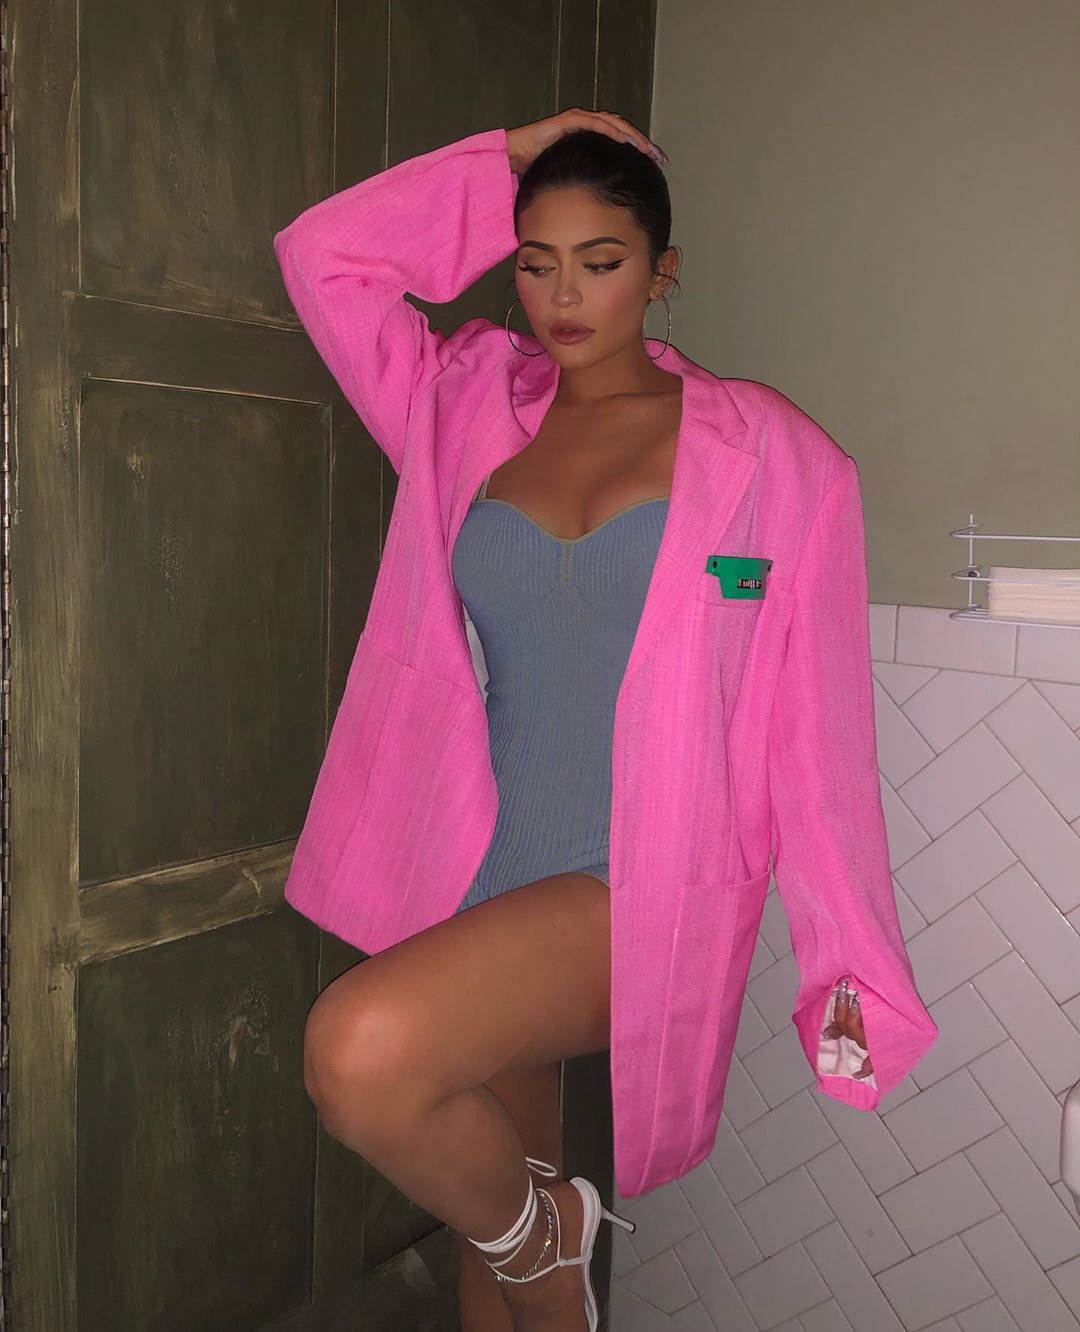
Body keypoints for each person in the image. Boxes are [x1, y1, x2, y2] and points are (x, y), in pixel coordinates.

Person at [273, 108, 937, 1332]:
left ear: (662, 270)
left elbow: (821, 747)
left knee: (360, 1055)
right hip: (480, 867)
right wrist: (506, 156)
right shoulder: (460, 403)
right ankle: (541, 1259)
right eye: (536, 262)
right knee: (492, 1253)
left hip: (640, 886)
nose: (564, 297)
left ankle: (556, 1237)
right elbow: (324, 259)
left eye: (602, 260)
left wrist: (850, 979)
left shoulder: (775, 460)